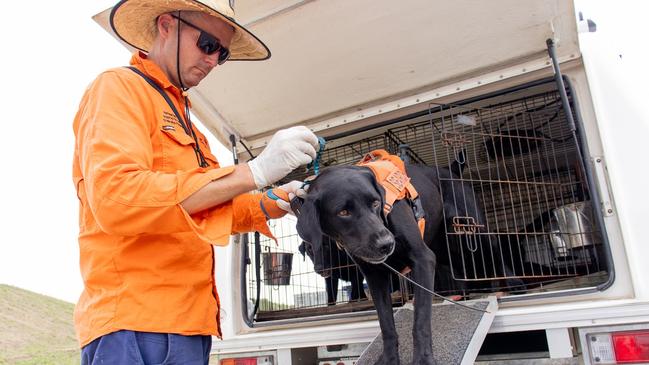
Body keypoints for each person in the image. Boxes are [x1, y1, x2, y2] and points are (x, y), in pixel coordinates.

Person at [72, 0, 318, 363]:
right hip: (135, 324)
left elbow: (206, 205)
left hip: (190, 325)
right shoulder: (119, 88)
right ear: (167, 25)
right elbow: (117, 199)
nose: (212, 60)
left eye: (221, 55)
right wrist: (253, 172)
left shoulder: (188, 124)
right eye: (207, 44)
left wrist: (273, 200)